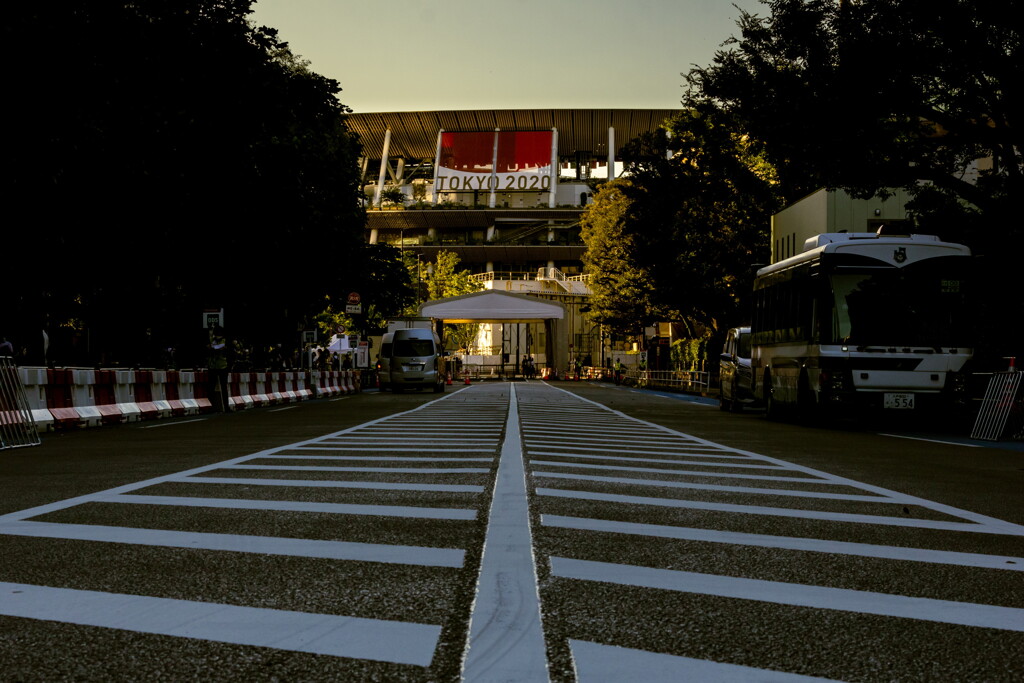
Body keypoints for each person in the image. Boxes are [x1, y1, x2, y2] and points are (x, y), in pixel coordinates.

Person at [207, 326, 229, 411]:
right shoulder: (218, 341)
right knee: (221, 387)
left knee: (213, 387)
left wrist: (212, 347)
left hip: (217, 366)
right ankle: (224, 407)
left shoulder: (219, 341)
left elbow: (215, 348)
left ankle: (216, 406)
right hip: (219, 366)